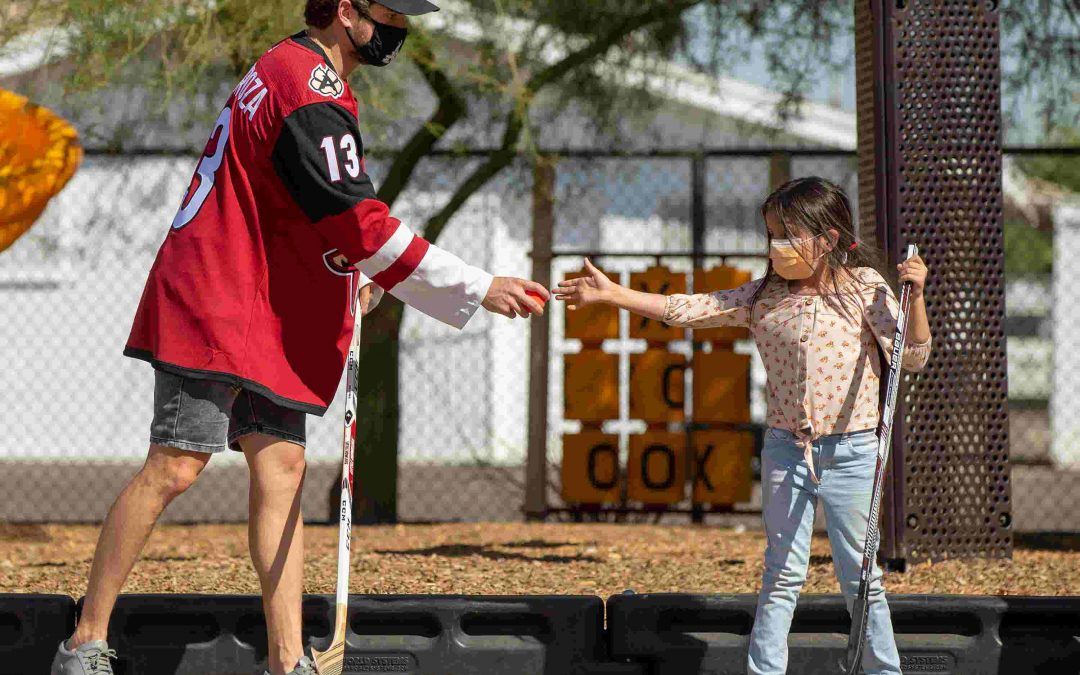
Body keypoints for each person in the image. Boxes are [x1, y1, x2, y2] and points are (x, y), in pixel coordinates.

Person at [50, 1, 549, 674]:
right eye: (391, 11)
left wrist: (350, 276)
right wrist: (474, 285)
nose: (404, 25)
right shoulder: (306, 88)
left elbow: (298, 207)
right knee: (174, 466)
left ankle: (289, 662)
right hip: (216, 299)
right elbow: (355, 219)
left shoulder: (294, 71)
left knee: (281, 469)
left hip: (265, 310)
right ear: (345, 10)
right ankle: (85, 641)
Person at [554, 176, 931, 675]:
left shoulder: (868, 290)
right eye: (771, 234)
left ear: (830, 239)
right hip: (785, 451)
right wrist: (614, 295)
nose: (776, 247)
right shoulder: (762, 297)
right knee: (781, 574)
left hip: (855, 450)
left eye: (788, 235)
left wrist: (917, 296)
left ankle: (884, 670)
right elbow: (687, 309)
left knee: (861, 575)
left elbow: (914, 358)